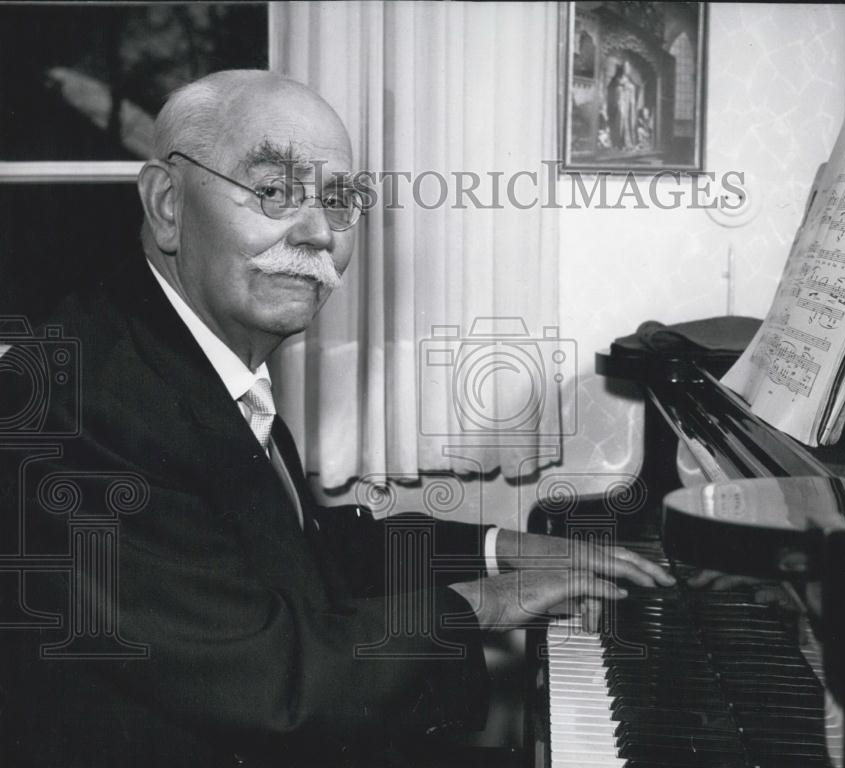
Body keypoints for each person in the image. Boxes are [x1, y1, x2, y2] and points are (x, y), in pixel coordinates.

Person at [0, 70, 671, 767]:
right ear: (168, 204)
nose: (319, 232)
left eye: (340, 200)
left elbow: (298, 553)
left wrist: (500, 549)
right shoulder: (80, 405)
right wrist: (488, 604)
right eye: (272, 191)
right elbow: (269, 679)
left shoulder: (182, 349)